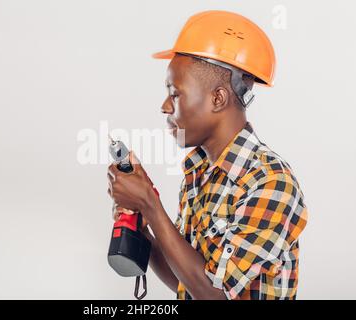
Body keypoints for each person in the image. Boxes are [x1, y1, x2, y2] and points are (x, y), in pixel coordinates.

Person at [107, 10, 308, 300]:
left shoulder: (271, 183)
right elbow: (188, 280)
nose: (164, 106)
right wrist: (144, 229)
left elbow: (216, 295)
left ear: (218, 98)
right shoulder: (200, 173)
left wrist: (150, 204)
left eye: (175, 94)